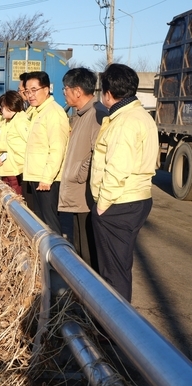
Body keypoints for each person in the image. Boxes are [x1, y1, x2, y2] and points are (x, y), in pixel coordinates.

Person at [90, 63, 158, 302]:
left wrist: (102, 204)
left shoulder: (124, 122)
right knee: (119, 265)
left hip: (118, 203)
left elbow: (117, 168)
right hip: (136, 198)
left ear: (108, 93)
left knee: (114, 271)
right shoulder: (140, 115)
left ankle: (113, 322)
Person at [58, 68, 108, 270]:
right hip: (78, 193)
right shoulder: (81, 114)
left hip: (86, 195)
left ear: (77, 91)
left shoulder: (97, 114)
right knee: (79, 247)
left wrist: (79, 175)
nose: (64, 93)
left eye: (66, 89)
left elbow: (99, 155)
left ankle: (90, 289)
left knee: (88, 252)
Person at [23, 71, 70, 235]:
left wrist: (47, 178)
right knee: (40, 223)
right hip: (36, 176)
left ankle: (55, 251)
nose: (30, 95)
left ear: (46, 89)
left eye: (34, 90)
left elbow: (57, 148)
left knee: (50, 224)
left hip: (46, 180)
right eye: (27, 91)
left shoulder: (53, 113)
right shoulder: (36, 112)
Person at [0, 90, 29, 195]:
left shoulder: (20, 121)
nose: (1, 111)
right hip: (13, 167)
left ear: (8, 106)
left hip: (18, 169)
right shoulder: (12, 121)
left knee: (16, 198)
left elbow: (29, 143)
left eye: (1, 107)